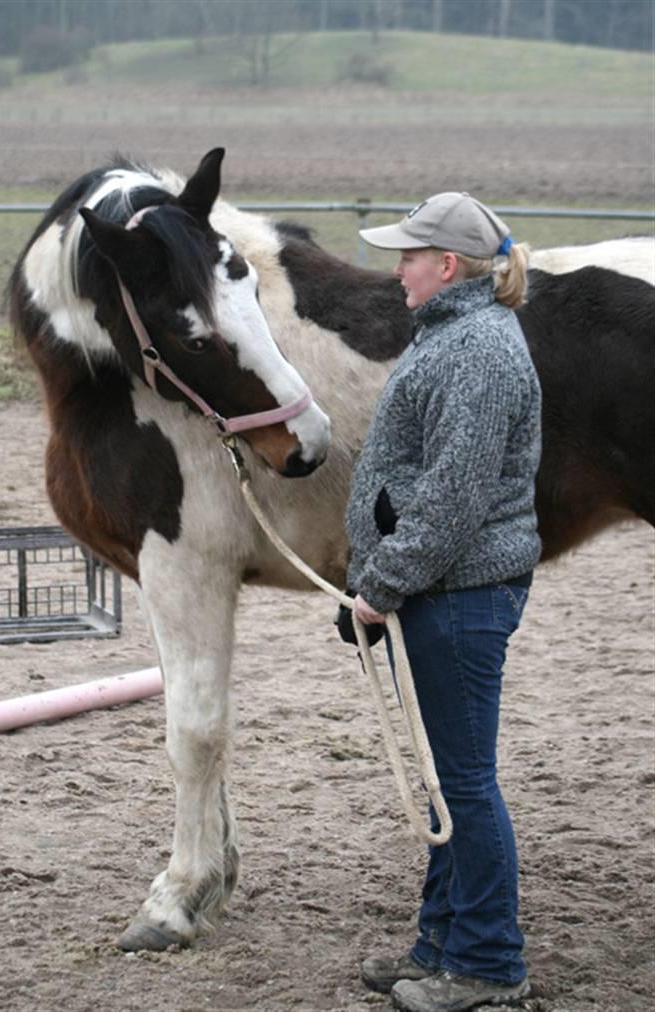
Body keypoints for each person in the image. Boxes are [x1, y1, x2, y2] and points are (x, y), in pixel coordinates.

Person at [343, 192, 541, 1012]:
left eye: (408, 256)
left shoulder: (477, 351)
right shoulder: (455, 337)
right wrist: (373, 578)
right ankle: (441, 947)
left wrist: (381, 583)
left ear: (447, 265)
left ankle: (490, 965)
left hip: (458, 595)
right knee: (443, 781)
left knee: (462, 783)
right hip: (438, 589)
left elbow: (452, 499)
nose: (397, 270)